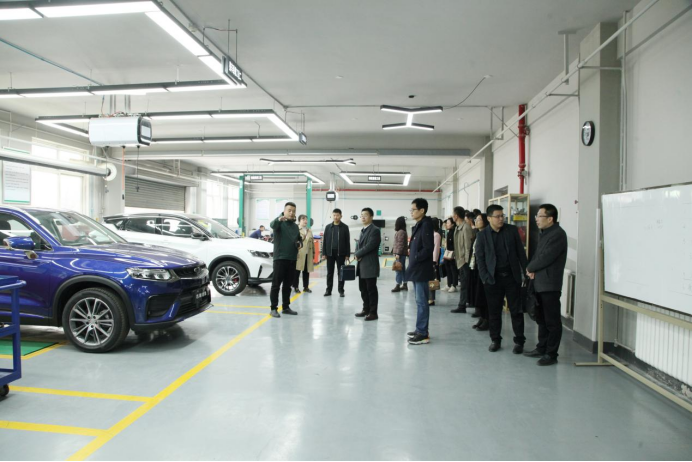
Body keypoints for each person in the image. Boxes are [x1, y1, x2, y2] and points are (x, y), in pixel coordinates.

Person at [475, 204, 529, 353]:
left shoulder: (511, 230)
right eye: (497, 216)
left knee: (516, 311)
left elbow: (520, 253)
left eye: (502, 216)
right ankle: (495, 340)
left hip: (512, 277)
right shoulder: (482, 235)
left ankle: (519, 341)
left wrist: (527, 271)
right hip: (493, 279)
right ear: (489, 218)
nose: (501, 219)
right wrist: (485, 278)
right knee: (494, 312)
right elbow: (480, 258)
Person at [523, 204, 568, 366]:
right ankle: (541, 347)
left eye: (539, 216)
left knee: (552, 321)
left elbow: (546, 257)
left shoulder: (558, 234)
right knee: (541, 318)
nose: (536, 219)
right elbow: (538, 255)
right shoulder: (544, 233)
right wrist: (532, 269)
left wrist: (530, 268)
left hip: (550, 285)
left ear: (550, 219)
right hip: (540, 283)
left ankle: (551, 353)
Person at [406, 199, 435, 345]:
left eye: (413, 209)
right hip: (416, 268)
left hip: (421, 269)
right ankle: (420, 329)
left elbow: (428, 248)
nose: (411, 212)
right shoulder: (419, 224)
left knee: (422, 302)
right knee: (419, 301)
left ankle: (423, 333)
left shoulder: (426, 225)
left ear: (422, 210)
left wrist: (416, 257)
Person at [269, 203, 301, 318]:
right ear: (284, 211)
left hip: (292, 259)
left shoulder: (295, 226)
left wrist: (299, 243)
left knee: (287, 285)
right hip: (280, 259)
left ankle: (286, 307)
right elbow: (272, 225)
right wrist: (279, 219)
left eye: (293, 211)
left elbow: (299, 239)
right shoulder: (279, 223)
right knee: (276, 285)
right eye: (289, 210)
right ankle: (273, 308)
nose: (291, 213)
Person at [354, 208, 382, 321]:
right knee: (363, 289)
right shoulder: (363, 230)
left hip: (370, 264)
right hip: (361, 265)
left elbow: (371, 245)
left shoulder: (375, 230)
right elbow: (359, 245)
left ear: (371, 217)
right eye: (361, 215)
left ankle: (373, 312)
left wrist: (358, 253)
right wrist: (357, 253)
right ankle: (366, 309)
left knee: (371, 290)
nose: (363, 217)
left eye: (365, 215)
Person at [451, 206, 475, 314]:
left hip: (464, 261)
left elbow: (468, 246)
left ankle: (462, 305)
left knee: (465, 284)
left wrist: (466, 260)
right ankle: (463, 303)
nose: (452, 216)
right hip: (460, 260)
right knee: (464, 284)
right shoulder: (458, 227)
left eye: (453, 214)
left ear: (456, 216)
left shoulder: (466, 228)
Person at [323, 209, 351, 298]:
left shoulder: (345, 227)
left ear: (341, 216)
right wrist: (324, 253)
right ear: (332, 216)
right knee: (329, 273)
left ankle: (341, 290)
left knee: (341, 272)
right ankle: (328, 290)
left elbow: (347, 242)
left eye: (337, 215)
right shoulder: (328, 227)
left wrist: (347, 254)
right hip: (330, 253)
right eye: (334, 215)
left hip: (341, 253)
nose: (335, 217)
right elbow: (325, 241)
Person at [470, 213, 490, 331]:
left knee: (485, 296)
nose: (476, 221)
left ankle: (487, 319)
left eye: (478, 220)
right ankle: (482, 317)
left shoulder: (487, 235)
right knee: (479, 295)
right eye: (476, 219)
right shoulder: (478, 234)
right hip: (476, 267)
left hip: (484, 269)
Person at [293, 215, 315, 294]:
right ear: (299, 221)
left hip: (308, 254)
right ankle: (295, 287)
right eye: (303, 219)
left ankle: (306, 287)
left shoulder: (309, 231)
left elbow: (312, 243)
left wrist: (313, 253)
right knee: (297, 271)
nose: (305, 221)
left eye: (306, 219)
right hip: (299, 254)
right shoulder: (296, 229)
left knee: (306, 271)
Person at [392, 216, 409, 293]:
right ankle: (405, 284)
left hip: (400, 254)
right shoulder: (402, 231)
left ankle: (398, 285)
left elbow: (400, 244)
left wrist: (397, 253)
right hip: (402, 253)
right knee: (402, 269)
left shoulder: (401, 232)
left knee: (398, 269)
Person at [443, 218, 459, 293]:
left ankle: (454, 285)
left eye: (448, 223)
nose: (446, 224)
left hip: (453, 253)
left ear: (452, 224)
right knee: (448, 269)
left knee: (453, 270)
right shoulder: (448, 232)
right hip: (447, 253)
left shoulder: (454, 232)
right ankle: (449, 284)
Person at [429, 218, 442, 306]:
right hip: (427, 260)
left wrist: (434, 260)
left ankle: (431, 298)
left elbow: (436, 248)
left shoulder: (436, 235)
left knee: (432, 280)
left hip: (432, 260)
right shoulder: (429, 234)